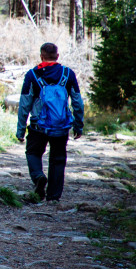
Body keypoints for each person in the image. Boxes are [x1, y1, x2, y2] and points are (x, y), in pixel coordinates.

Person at [16, 42, 85, 202]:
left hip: (37, 125)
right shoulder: (68, 74)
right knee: (58, 159)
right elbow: (77, 102)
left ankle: (38, 177)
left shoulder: (32, 75)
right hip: (61, 126)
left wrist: (20, 130)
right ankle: (53, 197)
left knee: (33, 152)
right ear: (57, 56)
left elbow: (24, 103)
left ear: (41, 56)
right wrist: (78, 125)